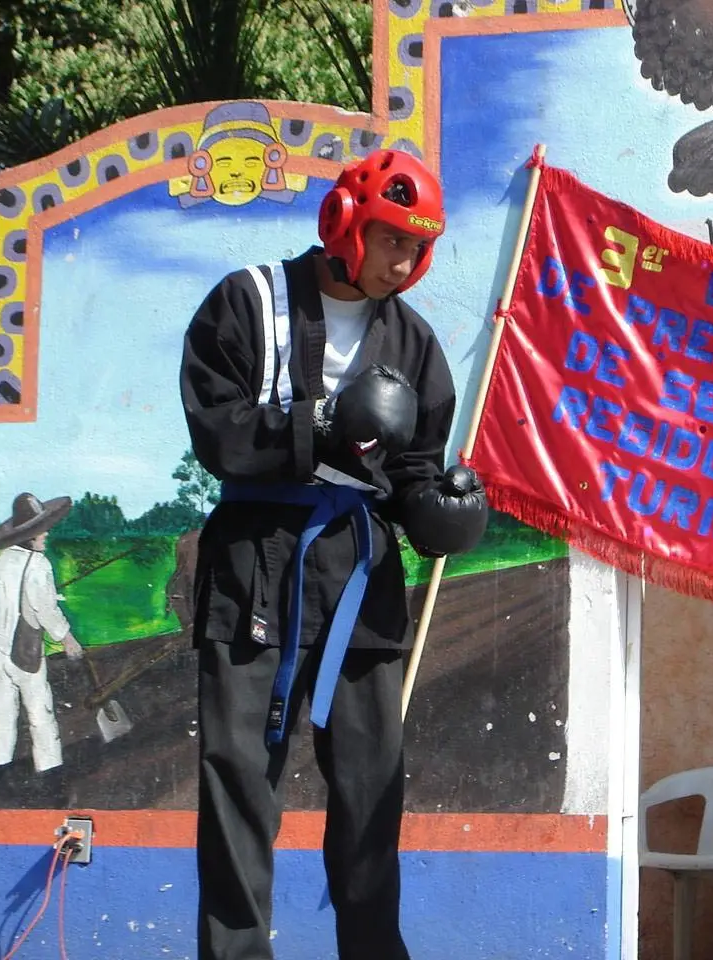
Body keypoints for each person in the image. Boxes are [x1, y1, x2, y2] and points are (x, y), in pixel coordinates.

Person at [180, 148, 488, 960]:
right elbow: (216, 433)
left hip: (357, 566)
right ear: (347, 221)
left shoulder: (414, 343)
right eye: (393, 239)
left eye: (419, 247)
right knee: (239, 784)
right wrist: (315, 427)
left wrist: (439, 513)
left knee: (369, 791)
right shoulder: (247, 303)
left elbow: (414, 468)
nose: (407, 261)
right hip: (255, 559)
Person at [0, 492, 84, 774]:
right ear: (29, 535)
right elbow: (46, 610)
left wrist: (5, 619)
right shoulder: (40, 566)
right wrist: (67, 639)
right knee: (41, 714)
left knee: (2, 715)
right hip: (26, 653)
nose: (46, 534)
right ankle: (50, 774)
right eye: (41, 530)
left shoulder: (2, 562)